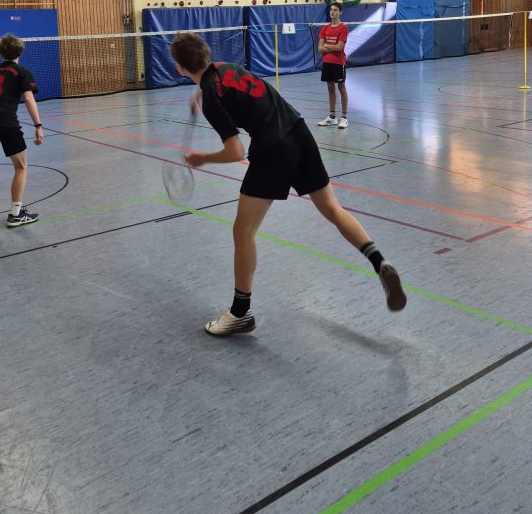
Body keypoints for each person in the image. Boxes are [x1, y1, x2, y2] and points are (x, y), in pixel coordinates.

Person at [169, 31, 406, 336]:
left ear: (179, 67)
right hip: (299, 132)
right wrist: (201, 91)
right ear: (206, 54)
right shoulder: (227, 69)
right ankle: (379, 261)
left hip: (273, 149)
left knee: (243, 231)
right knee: (333, 209)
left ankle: (240, 312)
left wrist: (203, 158)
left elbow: (235, 151)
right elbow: (219, 84)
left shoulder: (212, 98)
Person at [0, 33, 43, 228]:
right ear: (20, 51)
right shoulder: (22, 71)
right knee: (21, 167)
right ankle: (16, 214)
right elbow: (29, 99)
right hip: (6, 123)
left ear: (0, 51)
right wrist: (38, 125)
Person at [317, 1, 349, 129]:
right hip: (327, 62)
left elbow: (339, 47)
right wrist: (331, 47)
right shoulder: (325, 28)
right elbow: (320, 48)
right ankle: (332, 117)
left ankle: (344, 118)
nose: (332, 12)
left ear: (340, 12)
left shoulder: (343, 28)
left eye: (335, 10)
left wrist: (327, 46)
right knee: (330, 88)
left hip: (338, 62)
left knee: (341, 88)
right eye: (331, 10)